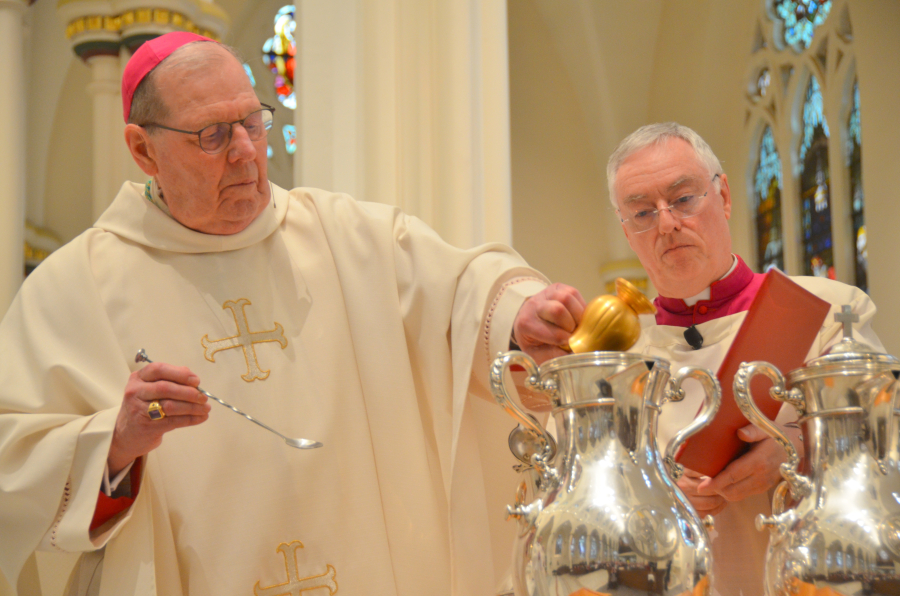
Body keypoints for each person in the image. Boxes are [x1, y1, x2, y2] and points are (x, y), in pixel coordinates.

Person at [0, 32, 584, 596]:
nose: (247, 152)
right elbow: (14, 463)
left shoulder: (346, 237)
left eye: (252, 122)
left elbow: (460, 291)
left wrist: (520, 319)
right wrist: (117, 443)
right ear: (143, 149)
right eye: (212, 135)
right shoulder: (77, 285)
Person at [607, 122, 883, 596]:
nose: (667, 224)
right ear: (627, 232)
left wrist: (801, 448)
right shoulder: (614, 364)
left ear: (725, 195)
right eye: (642, 213)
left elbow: (887, 433)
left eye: (683, 198)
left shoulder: (828, 312)